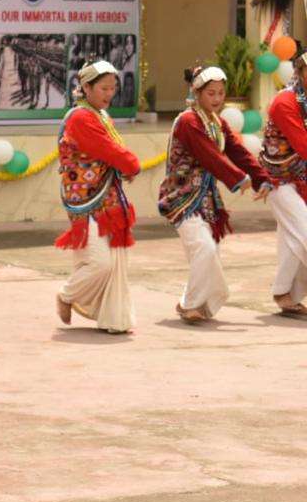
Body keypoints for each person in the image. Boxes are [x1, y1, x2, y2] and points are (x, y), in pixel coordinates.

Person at [159, 66, 273, 322]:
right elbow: (209, 156)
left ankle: (196, 303)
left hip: (206, 199)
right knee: (205, 250)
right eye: (211, 93)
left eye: (221, 93)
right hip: (182, 196)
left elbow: (237, 151)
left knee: (207, 252)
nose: (217, 98)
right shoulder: (189, 121)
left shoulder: (216, 121)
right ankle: (190, 305)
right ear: (196, 92)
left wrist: (260, 178)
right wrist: (237, 178)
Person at [54, 60, 141, 334]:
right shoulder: (81, 117)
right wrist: (130, 164)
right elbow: (107, 150)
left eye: (113, 88)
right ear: (86, 88)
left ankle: (112, 317)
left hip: (106, 197)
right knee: (101, 263)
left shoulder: (100, 115)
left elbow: (108, 152)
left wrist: (122, 165)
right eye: (103, 88)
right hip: (86, 200)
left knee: (108, 259)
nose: (109, 94)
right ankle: (67, 295)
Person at [259, 44, 307, 316]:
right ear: (299, 72)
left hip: (302, 179)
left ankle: (284, 293)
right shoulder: (285, 102)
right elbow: (303, 144)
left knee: (293, 237)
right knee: (304, 232)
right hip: (279, 180)